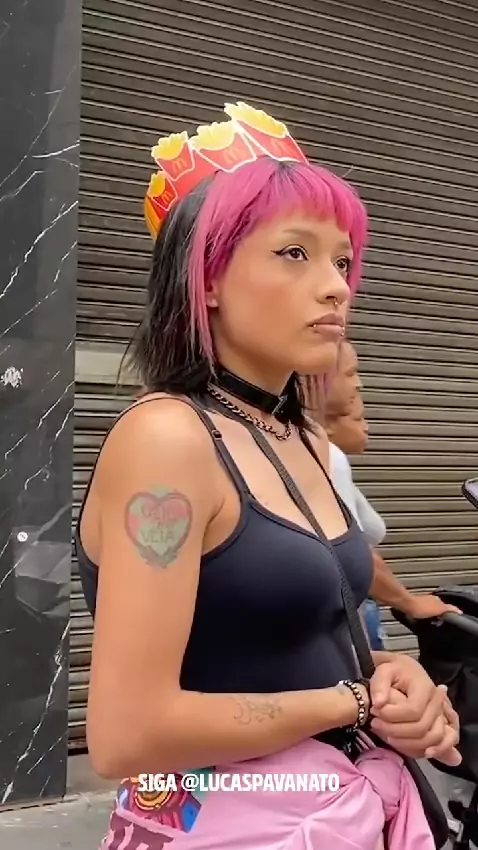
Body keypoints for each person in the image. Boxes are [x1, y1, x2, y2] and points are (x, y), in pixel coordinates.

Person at [76, 102, 460, 849]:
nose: (337, 288)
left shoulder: (302, 436)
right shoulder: (168, 440)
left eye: (342, 261)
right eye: (294, 253)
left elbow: (289, 646)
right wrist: (352, 703)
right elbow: (127, 735)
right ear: (207, 279)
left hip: (341, 811)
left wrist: (395, 680)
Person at [324, 340, 461, 650]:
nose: (358, 384)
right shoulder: (328, 457)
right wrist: (409, 602)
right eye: (350, 373)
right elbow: (350, 551)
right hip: (347, 618)